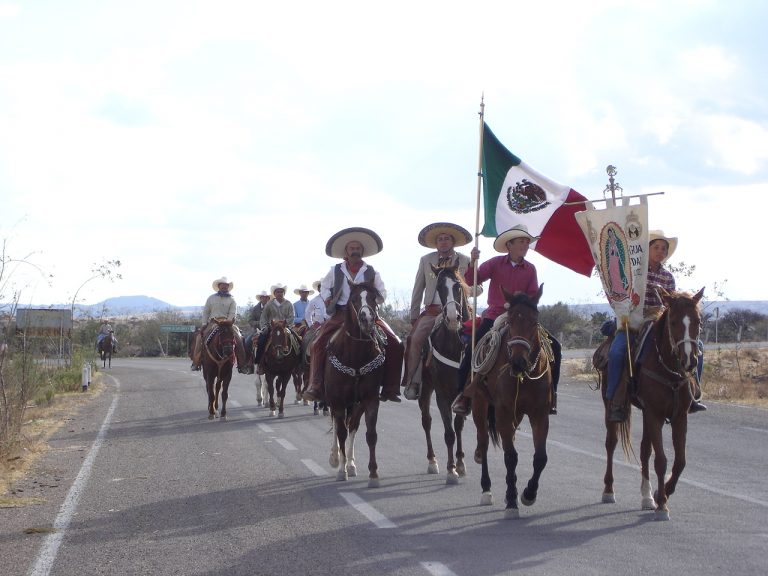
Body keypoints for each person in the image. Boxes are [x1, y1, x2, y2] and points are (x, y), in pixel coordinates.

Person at [451, 224, 562, 416]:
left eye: (527, 242)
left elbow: (533, 296)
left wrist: (523, 307)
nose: (525, 245)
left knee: (555, 347)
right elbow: (470, 281)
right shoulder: (494, 264)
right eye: (521, 242)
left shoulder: (530, 269)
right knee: (473, 349)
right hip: (495, 316)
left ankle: (551, 394)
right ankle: (463, 395)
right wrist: (473, 263)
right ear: (509, 244)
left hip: (522, 318)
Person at [606, 230, 707, 421]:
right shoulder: (635, 272)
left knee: (697, 347)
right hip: (636, 317)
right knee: (617, 352)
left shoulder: (668, 277)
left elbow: (673, 304)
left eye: (664, 249)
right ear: (648, 250)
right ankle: (615, 399)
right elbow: (624, 293)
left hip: (661, 318)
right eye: (656, 247)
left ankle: (693, 392)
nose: (660, 251)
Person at [302, 227, 403, 403]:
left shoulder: (372, 271)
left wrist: (372, 296)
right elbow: (325, 287)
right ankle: (316, 385)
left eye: (357, 249)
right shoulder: (336, 270)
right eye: (351, 248)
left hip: (368, 313)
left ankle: (390, 387)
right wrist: (327, 298)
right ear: (346, 252)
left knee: (396, 343)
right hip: (341, 313)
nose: (355, 251)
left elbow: (383, 294)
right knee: (317, 343)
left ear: (362, 251)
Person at [401, 222, 472, 400]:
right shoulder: (426, 260)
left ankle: (480, 381)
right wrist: (414, 314)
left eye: (447, 238)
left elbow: (477, 287)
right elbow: (418, 288)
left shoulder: (465, 260)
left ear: (453, 241)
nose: (443, 242)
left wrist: (462, 287)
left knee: (481, 337)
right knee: (415, 339)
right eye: (440, 239)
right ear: (436, 243)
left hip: (461, 310)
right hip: (433, 311)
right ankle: (414, 382)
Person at [191, 276, 249, 374]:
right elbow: (206, 312)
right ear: (219, 286)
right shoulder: (211, 298)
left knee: (239, 338)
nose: (224, 287)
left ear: (228, 287)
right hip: (213, 322)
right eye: (222, 285)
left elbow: (233, 313)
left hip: (228, 323)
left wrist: (228, 322)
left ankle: (242, 364)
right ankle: (196, 362)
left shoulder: (232, 299)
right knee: (199, 338)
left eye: (226, 285)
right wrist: (205, 323)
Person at [253, 283, 296, 373]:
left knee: (297, 340)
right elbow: (263, 317)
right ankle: (259, 363)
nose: (279, 293)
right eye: (277, 292)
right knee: (261, 340)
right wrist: (264, 327)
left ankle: (297, 363)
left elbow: (291, 317)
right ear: (274, 293)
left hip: (285, 327)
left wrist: (285, 324)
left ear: (284, 293)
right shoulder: (269, 304)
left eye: (281, 292)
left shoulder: (289, 304)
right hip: (272, 327)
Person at [244, 290, 271, 364]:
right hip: (256, 330)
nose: (264, 299)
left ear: (268, 298)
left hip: (270, 329)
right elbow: (250, 320)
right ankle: (248, 361)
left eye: (266, 297)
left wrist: (267, 324)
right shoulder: (255, 308)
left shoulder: (272, 308)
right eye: (263, 297)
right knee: (247, 343)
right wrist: (259, 323)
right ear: (260, 298)